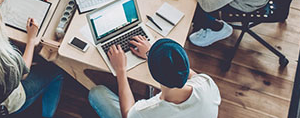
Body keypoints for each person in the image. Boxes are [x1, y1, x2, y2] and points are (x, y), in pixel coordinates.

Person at [88, 37, 221, 118]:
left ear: (154, 74)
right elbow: (185, 71)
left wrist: (121, 70)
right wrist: (152, 54)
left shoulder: (148, 111)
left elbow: (128, 114)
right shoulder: (207, 83)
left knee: (96, 93)